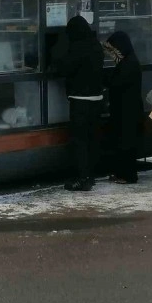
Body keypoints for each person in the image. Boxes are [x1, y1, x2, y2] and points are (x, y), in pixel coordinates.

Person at [55, 15, 104, 192]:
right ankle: (90, 176)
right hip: (97, 99)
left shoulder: (77, 47)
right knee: (91, 140)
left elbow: (64, 68)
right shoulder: (96, 45)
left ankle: (83, 178)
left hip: (80, 101)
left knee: (79, 141)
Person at [103, 31, 143, 184]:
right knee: (122, 141)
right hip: (125, 109)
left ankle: (128, 175)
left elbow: (116, 83)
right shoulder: (129, 60)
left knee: (126, 142)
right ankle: (122, 173)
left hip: (127, 110)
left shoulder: (128, 64)